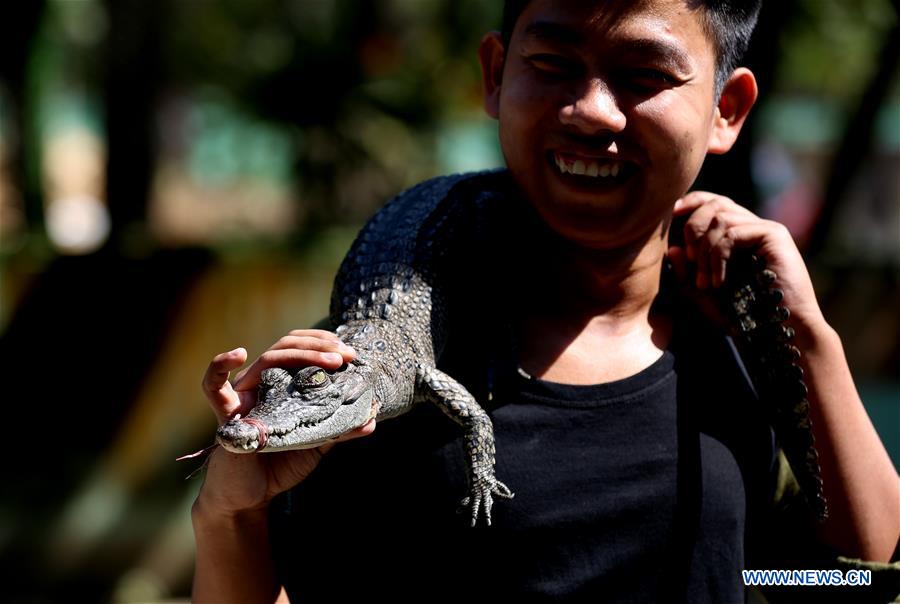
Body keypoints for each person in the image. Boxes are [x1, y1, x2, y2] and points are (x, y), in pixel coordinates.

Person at [191, 1, 900, 602]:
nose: (592, 111)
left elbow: (851, 577)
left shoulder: (737, 339)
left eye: (645, 76)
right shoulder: (368, 375)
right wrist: (229, 515)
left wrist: (808, 335)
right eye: (554, 65)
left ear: (727, 108)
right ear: (496, 75)